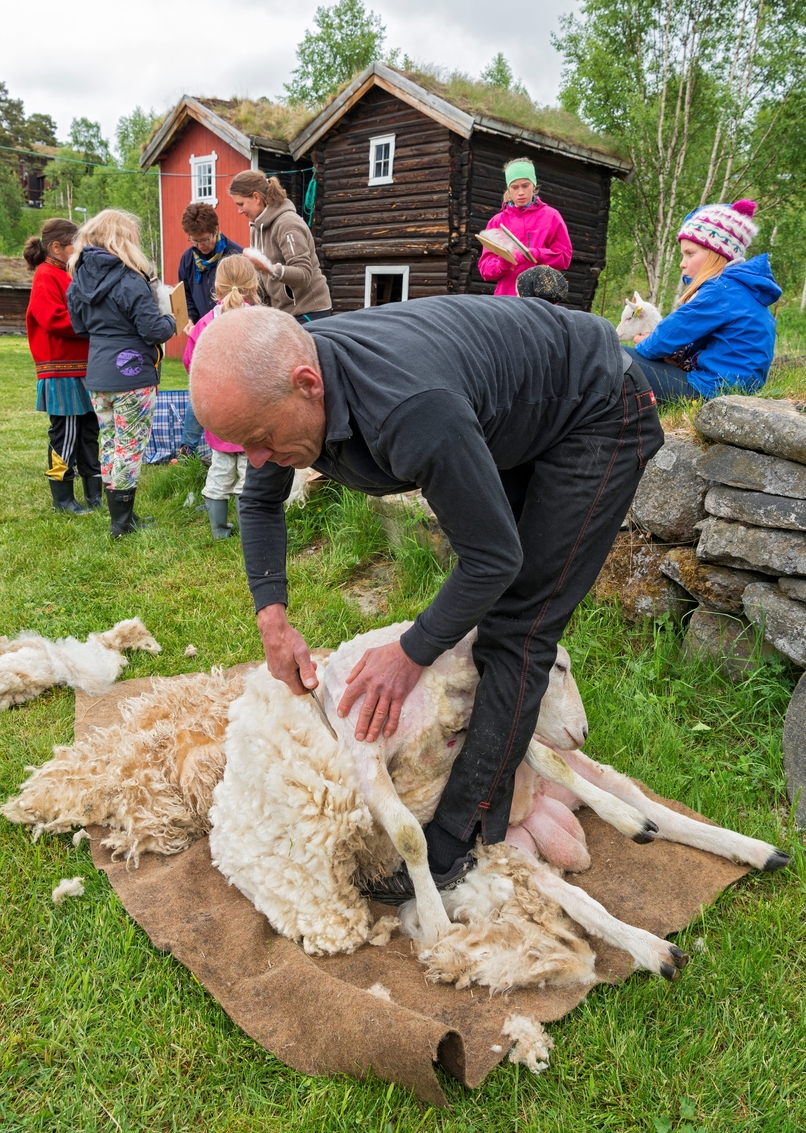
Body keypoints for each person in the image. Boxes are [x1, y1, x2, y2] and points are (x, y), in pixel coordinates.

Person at [189, 295, 664, 899]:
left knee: (520, 622)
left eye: (259, 440)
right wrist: (273, 621)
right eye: (240, 447)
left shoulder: (408, 410)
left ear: (308, 385)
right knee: (490, 610)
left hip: (594, 406)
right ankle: (486, 758)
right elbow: (259, 501)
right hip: (514, 406)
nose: (257, 461)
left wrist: (409, 654)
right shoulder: (286, 393)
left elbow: (494, 558)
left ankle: (456, 839)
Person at [66, 209, 176, 537]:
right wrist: (172, 319)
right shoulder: (130, 279)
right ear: (123, 239)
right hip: (132, 375)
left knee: (111, 442)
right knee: (130, 445)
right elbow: (154, 330)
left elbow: (79, 327)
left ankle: (122, 518)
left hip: (99, 371)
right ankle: (121, 523)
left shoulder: (79, 279)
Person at [625, 199, 782, 402]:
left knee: (613, 353)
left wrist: (644, 342)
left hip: (710, 392)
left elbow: (663, 339)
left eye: (690, 253)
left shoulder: (720, 291)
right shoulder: (740, 289)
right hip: (732, 391)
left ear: (717, 254)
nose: (682, 263)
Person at [24, 218, 102, 515]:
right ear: (56, 247)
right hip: (61, 370)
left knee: (88, 432)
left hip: (82, 368)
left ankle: (93, 495)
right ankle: (63, 498)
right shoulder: (46, 274)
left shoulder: (65, 273)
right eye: (76, 246)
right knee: (65, 433)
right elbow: (52, 317)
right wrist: (94, 321)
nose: (80, 252)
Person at [183, 255, 257, 539]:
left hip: (218, 412)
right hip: (251, 409)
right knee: (247, 473)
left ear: (218, 286)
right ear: (253, 285)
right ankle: (248, 528)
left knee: (220, 468)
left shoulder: (204, 324)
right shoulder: (259, 320)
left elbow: (191, 363)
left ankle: (219, 530)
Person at [177, 202, 242, 457]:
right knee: (198, 387)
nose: (199, 245)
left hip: (230, 336)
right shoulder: (187, 258)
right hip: (200, 334)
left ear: (216, 230)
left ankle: (232, 444)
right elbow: (186, 296)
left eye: (203, 240)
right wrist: (190, 320)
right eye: (194, 240)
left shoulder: (235, 256)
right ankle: (188, 449)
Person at [228, 170, 332, 323]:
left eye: (241, 204)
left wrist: (269, 268)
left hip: (310, 312)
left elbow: (304, 275)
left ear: (256, 197)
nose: (239, 211)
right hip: (284, 314)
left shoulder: (287, 224)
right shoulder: (256, 227)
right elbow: (262, 278)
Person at [478, 158, 573, 296]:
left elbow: (564, 257)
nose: (520, 192)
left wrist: (534, 254)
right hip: (506, 300)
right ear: (508, 189)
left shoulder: (551, 216)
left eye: (525, 185)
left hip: (540, 299)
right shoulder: (497, 221)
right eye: (515, 187)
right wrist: (504, 262)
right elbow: (485, 270)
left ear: (533, 185)